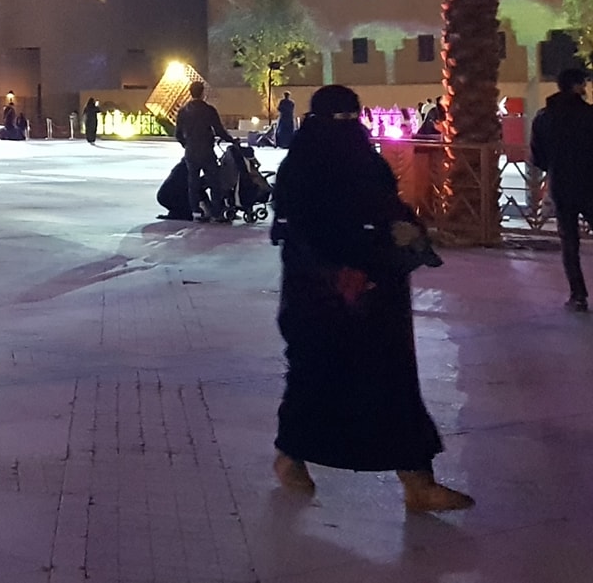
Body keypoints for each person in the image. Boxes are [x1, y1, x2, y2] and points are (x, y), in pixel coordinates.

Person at [270, 84, 473, 513]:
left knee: (394, 384)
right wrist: (337, 272)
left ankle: (417, 480)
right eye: (338, 119)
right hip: (323, 299)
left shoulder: (367, 161)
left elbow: (387, 206)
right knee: (317, 379)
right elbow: (298, 231)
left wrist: (406, 231)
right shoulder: (301, 168)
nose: (346, 127)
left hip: (379, 293)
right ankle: (291, 456)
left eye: (351, 118)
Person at [531, 66, 593, 314]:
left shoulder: (543, 117)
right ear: (576, 86)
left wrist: (555, 168)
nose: (585, 88)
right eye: (583, 84)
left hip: (561, 188)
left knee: (569, 243)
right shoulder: (591, 116)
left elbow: (538, 156)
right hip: (590, 187)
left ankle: (577, 297)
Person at [174, 82, 231, 222]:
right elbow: (219, 130)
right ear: (202, 92)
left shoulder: (183, 111)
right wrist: (231, 140)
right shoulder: (209, 110)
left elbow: (178, 134)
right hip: (206, 151)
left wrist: (186, 144)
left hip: (191, 152)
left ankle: (196, 212)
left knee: (193, 182)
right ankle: (216, 212)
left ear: (190, 92)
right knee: (214, 182)